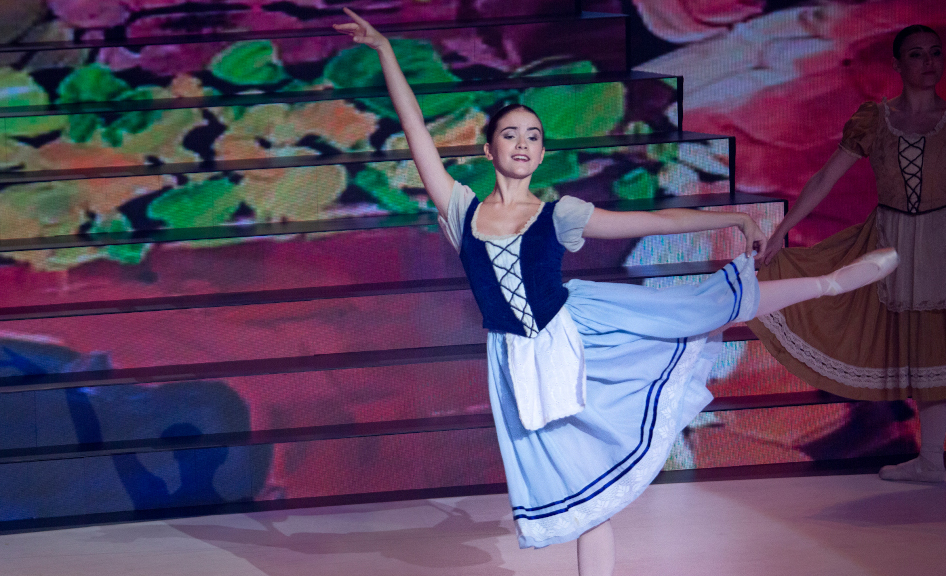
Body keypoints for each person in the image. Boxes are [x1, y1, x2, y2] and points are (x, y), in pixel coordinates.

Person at [335, 9, 898, 575]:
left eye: (533, 135)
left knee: (698, 307)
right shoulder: (462, 210)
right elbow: (416, 134)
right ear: (489, 150)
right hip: (515, 362)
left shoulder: (560, 214)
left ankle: (829, 282)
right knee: (585, 494)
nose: (523, 142)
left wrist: (731, 216)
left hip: (577, 336)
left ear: (542, 153)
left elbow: (654, 222)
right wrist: (385, 51)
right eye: (510, 134)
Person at [752, 24, 946, 484]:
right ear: (896, 65)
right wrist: (783, 231)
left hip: (941, 241)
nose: (928, 62)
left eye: (935, 52)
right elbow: (824, 178)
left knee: (937, 347)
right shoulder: (875, 120)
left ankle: (932, 460)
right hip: (892, 243)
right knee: (922, 348)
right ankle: (932, 461)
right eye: (916, 54)